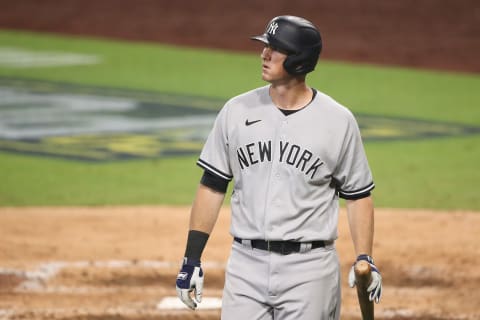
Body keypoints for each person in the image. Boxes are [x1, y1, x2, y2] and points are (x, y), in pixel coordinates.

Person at [175, 15, 382, 320]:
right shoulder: (236, 111)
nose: (264, 54)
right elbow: (212, 185)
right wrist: (191, 258)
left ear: (299, 60)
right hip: (246, 265)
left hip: (309, 272)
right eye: (265, 46)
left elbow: (358, 195)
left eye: (275, 48)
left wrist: (365, 256)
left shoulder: (338, 121)